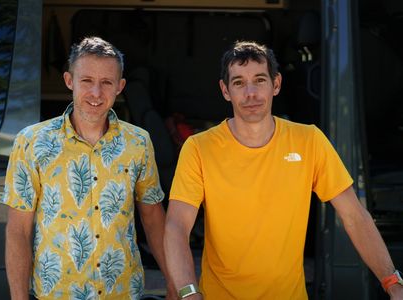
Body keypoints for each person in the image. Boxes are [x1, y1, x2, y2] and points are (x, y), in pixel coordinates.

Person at [163, 40, 403, 299]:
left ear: (276, 84)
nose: (251, 93)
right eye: (239, 83)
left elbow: (355, 216)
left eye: (259, 80)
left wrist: (393, 282)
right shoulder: (199, 147)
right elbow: (177, 225)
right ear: (225, 90)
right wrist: (189, 293)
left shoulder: (309, 141)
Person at [3, 36, 174, 299]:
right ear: (69, 81)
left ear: (120, 86)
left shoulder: (138, 142)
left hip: (123, 292)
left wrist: (175, 283)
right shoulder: (32, 142)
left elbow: (153, 219)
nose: (96, 93)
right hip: (56, 294)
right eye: (87, 81)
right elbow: (18, 231)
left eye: (107, 82)